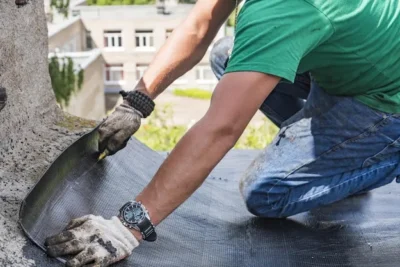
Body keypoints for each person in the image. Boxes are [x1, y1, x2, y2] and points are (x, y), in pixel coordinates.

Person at [45, 0, 400, 266]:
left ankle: (373, 153)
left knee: (266, 193)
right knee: (229, 56)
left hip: (385, 100)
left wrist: (128, 227)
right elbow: (200, 25)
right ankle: (337, 150)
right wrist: (136, 103)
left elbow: (222, 128)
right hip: (361, 61)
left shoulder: (284, 10)